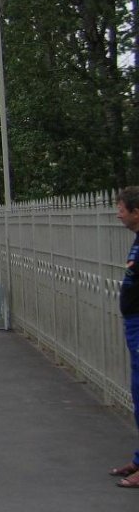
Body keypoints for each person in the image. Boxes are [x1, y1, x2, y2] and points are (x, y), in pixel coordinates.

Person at [110, 187, 139, 488]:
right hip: (134, 323)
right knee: (138, 394)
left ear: (136, 211)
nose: (117, 213)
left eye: (121, 208)